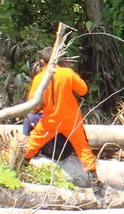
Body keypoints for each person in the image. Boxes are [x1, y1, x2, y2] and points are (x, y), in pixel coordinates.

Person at [19, 52, 104, 197]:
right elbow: (83, 90)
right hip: (71, 118)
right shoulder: (67, 73)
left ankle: (18, 172)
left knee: (32, 145)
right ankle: (95, 183)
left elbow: (33, 103)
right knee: (83, 148)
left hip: (50, 119)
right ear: (57, 59)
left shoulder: (39, 78)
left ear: (42, 61)